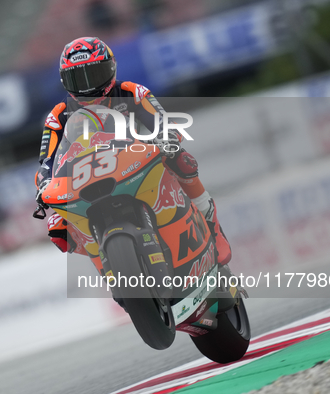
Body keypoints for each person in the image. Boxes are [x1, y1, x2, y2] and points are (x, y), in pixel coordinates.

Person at [35, 36, 232, 267]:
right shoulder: (58, 115)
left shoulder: (132, 92)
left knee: (183, 160)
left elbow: (162, 123)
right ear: (64, 81)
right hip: (85, 177)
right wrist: (45, 186)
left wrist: (166, 139)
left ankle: (213, 228)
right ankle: (109, 266)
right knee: (57, 228)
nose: (87, 86)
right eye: (77, 78)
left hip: (137, 162)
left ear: (111, 68)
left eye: (94, 75)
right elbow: (47, 163)